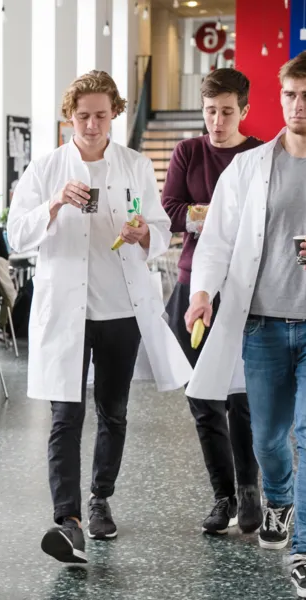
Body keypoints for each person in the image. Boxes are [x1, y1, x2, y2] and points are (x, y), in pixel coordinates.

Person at [7, 70, 190, 565]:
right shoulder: (46, 168)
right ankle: (67, 520)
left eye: (101, 115)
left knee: (113, 411)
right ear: (70, 116)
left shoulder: (133, 165)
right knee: (65, 415)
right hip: (65, 311)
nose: (92, 125)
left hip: (119, 309)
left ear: (115, 115)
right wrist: (53, 204)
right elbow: (14, 237)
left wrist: (143, 234)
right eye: (83, 115)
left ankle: (100, 499)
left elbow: (160, 225)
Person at [185, 51, 306, 597]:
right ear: (278, 99)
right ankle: (278, 500)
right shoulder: (251, 167)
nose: (298, 106)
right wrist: (202, 294)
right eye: (290, 95)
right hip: (260, 323)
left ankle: (303, 549)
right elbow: (217, 241)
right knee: (269, 438)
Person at [161, 68, 263, 536]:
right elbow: (171, 210)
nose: (216, 121)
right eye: (209, 112)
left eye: (225, 112)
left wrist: (204, 216)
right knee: (202, 397)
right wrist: (214, 215)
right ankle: (221, 494)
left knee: (241, 398)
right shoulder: (188, 152)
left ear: (243, 110)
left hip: (245, 290)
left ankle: (249, 491)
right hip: (192, 284)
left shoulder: (259, 157)